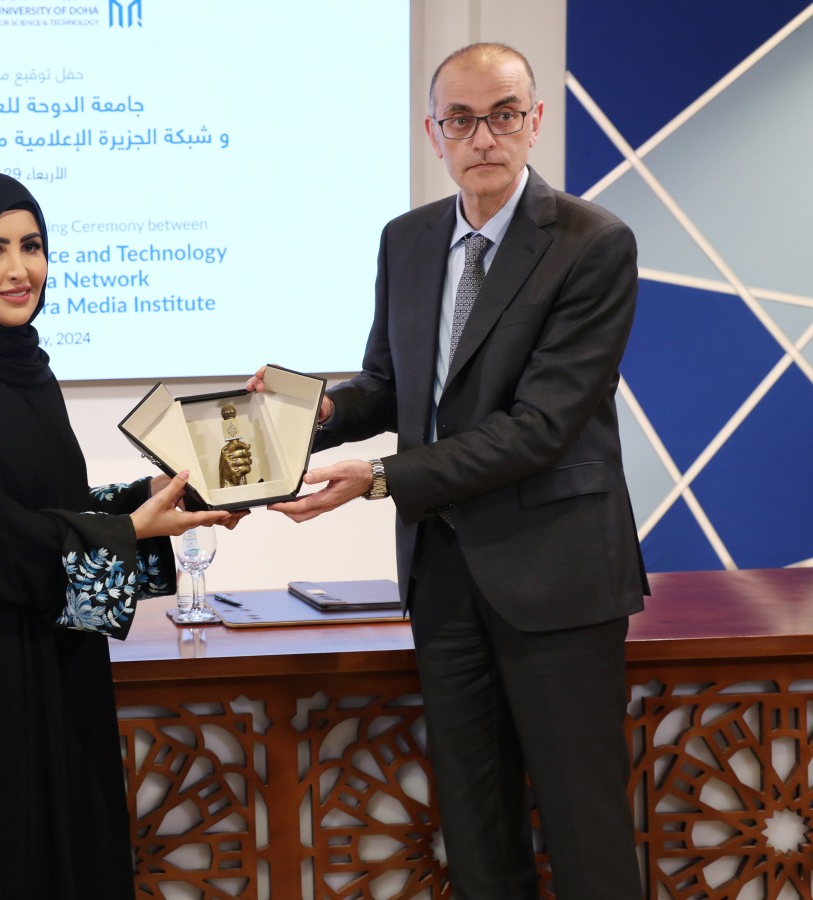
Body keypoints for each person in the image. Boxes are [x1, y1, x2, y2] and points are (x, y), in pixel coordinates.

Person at [248, 43, 646, 898]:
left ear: (535, 120)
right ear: (435, 134)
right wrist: (311, 412)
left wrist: (384, 477)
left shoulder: (593, 244)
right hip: (442, 572)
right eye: (461, 119)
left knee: (585, 829)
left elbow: (539, 427)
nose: (485, 136)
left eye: (504, 114)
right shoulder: (409, 240)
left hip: (557, 577)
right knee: (473, 828)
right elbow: (391, 384)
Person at [0, 170, 235, 898]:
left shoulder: (29, 375)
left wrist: (150, 502)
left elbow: (50, 505)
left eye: (33, 246)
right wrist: (124, 529)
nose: (19, 270)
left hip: (57, 670)